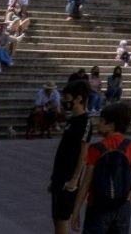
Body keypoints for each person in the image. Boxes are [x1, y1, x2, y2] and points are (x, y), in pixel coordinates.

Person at [71, 101, 131, 234]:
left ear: (111, 124)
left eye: (102, 121)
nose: (99, 124)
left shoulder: (96, 148)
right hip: (122, 206)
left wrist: (76, 211)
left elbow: (86, 182)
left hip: (98, 205)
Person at [50, 81, 92, 234]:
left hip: (69, 177)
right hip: (59, 176)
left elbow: (84, 151)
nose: (65, 101)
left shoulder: (85, 122)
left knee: (62, 219)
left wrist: (75, 179)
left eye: (67, 98)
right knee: (56, 217)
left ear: (79, 98)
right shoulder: (72, 120)